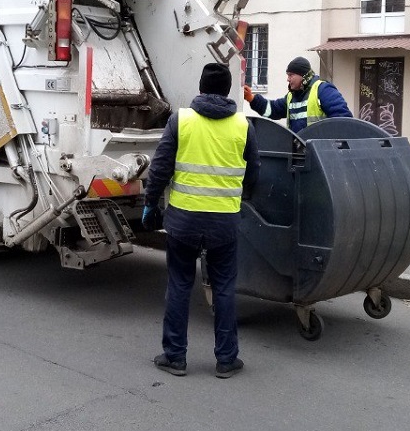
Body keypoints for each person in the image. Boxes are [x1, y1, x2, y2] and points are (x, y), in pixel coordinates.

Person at [142, 62, 260, 379]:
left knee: (180, 285)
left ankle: (175, 357)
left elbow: (160, 167)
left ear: (201, 87)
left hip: (183, 222)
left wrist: (150, 203)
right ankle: (226, 359)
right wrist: (239, 200)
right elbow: (254, 176)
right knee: (223, 288)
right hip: (225, 224)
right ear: (227, 90)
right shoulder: (243, 126)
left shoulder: (181, 121)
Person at [244, 56, 352, 133]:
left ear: (303, 76)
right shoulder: (291, 97)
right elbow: (272, 110)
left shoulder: (323, 90)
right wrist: (252, 99)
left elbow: (343, 120)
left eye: (291, 75)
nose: (288, 79)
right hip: (300, 154)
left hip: (320, 154)